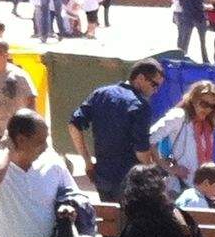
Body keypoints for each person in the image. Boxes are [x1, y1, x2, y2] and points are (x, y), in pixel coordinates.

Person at [68, 59, 162, 203]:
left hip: (102, 177)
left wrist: (87, 161)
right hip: (130, 182)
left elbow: (74, 125)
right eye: (154, 84)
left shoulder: (100, 94)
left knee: (109, 216)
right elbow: (141, 152)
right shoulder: (140, 106)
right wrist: (153, 172)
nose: (156, 90)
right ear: (140, 78)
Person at [150, 78, 215, 193]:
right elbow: (151, 139)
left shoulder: (207, 124)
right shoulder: (179, 116)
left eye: (212, 106)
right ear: (193, 99)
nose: (208, 109)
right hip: (178, 186)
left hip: (198, 188)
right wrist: (171, 167)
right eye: (204, 104)